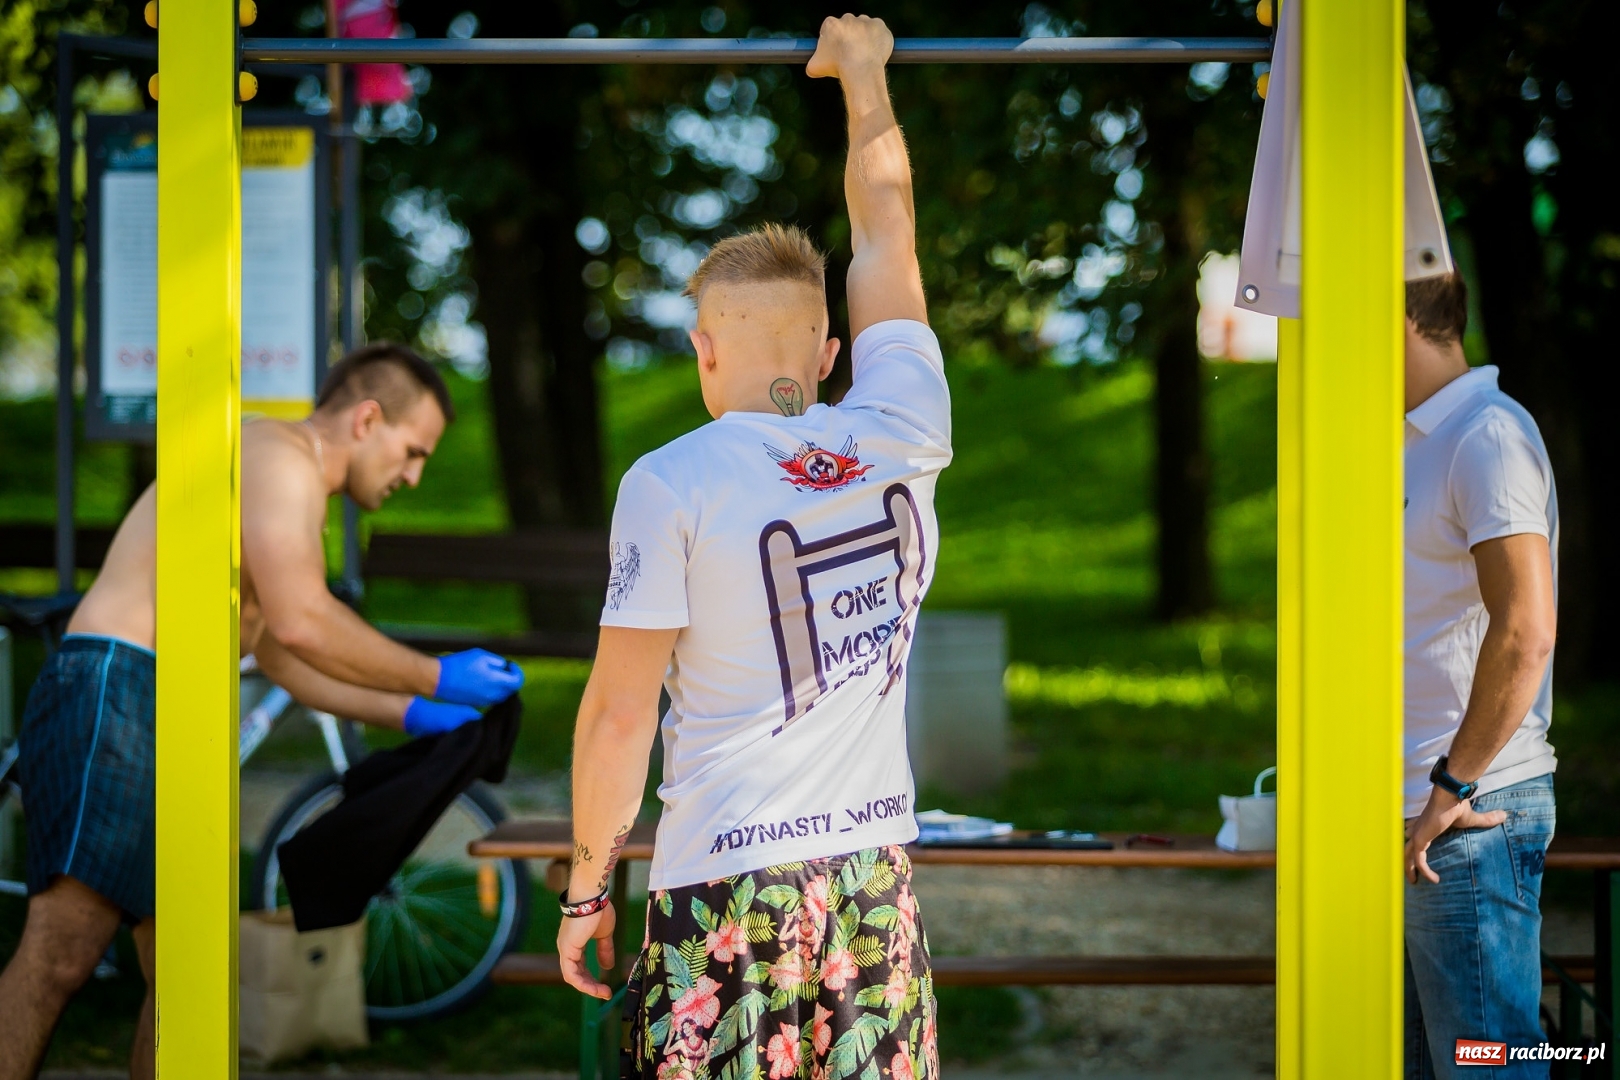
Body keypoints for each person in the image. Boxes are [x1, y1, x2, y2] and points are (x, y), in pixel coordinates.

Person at [558, 15, 948, 1079]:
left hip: (727, 884)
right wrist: (865, 76)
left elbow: (620, 714)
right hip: (874, 881)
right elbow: (886, 227)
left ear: (703, 348)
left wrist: (589, 888)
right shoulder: (904, 425)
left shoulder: (671, 480)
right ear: (830, 353)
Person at [0, 343, 524, 1080]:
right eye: (413, 451)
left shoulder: (284, 483)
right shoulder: (278, 455)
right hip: (116, 689)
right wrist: (438, 675)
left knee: (186, 979)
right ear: (367, 418)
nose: (414, 475)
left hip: (173, 704)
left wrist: (409, 710)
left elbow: (276, 652)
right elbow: (306, 618)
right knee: (62, 954)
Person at [1400, 273, 1559, 1078]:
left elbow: (1526, 629)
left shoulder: (1484, 435)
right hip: (1422, 817)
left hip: (1466, 818)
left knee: (1491, 1068)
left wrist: (1451, 786)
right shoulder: (1413, 440)